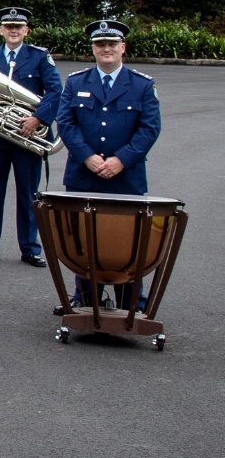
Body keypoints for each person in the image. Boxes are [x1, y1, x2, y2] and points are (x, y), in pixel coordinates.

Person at [55, 19, 160, 309]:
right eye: (100, 44)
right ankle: (87, 299)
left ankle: (131, 302)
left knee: (127, 243)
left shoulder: (142, 85)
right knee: (82, 241)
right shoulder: (76, 82)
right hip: (83, 175)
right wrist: (87, 156)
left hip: (125, 177)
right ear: (93, 49)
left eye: (112, 44)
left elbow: (149, 128)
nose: (106, 49)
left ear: (122, 47)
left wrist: (120, 160)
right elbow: (65, 122)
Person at [0, 6, 63, 267]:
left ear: (26, 31)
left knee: (28, 194)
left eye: (18, 27)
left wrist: (39, 119)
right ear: (1, 30)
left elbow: (55, 91)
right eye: (8, 26)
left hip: (27, 135)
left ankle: (30, 248)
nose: (13, 30)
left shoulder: (40, 57)